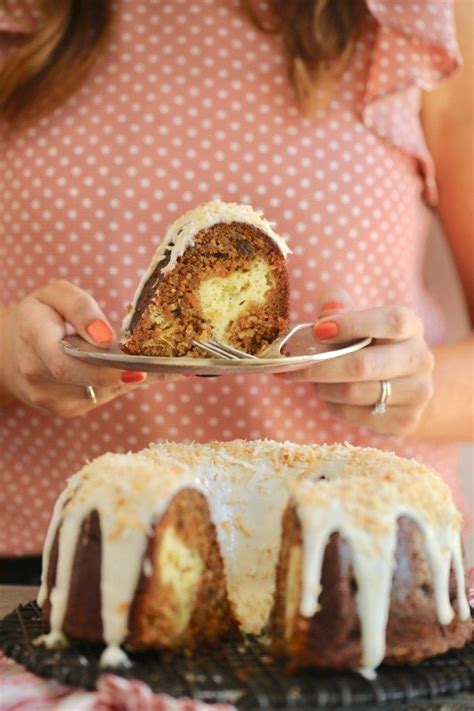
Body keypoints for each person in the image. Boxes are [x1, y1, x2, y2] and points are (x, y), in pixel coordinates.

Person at [0, 0, 472, 584]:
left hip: (353, 556)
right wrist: (8, 357)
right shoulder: (19, 20)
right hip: (68, 554)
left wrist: (413, 388)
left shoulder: (419, 20)